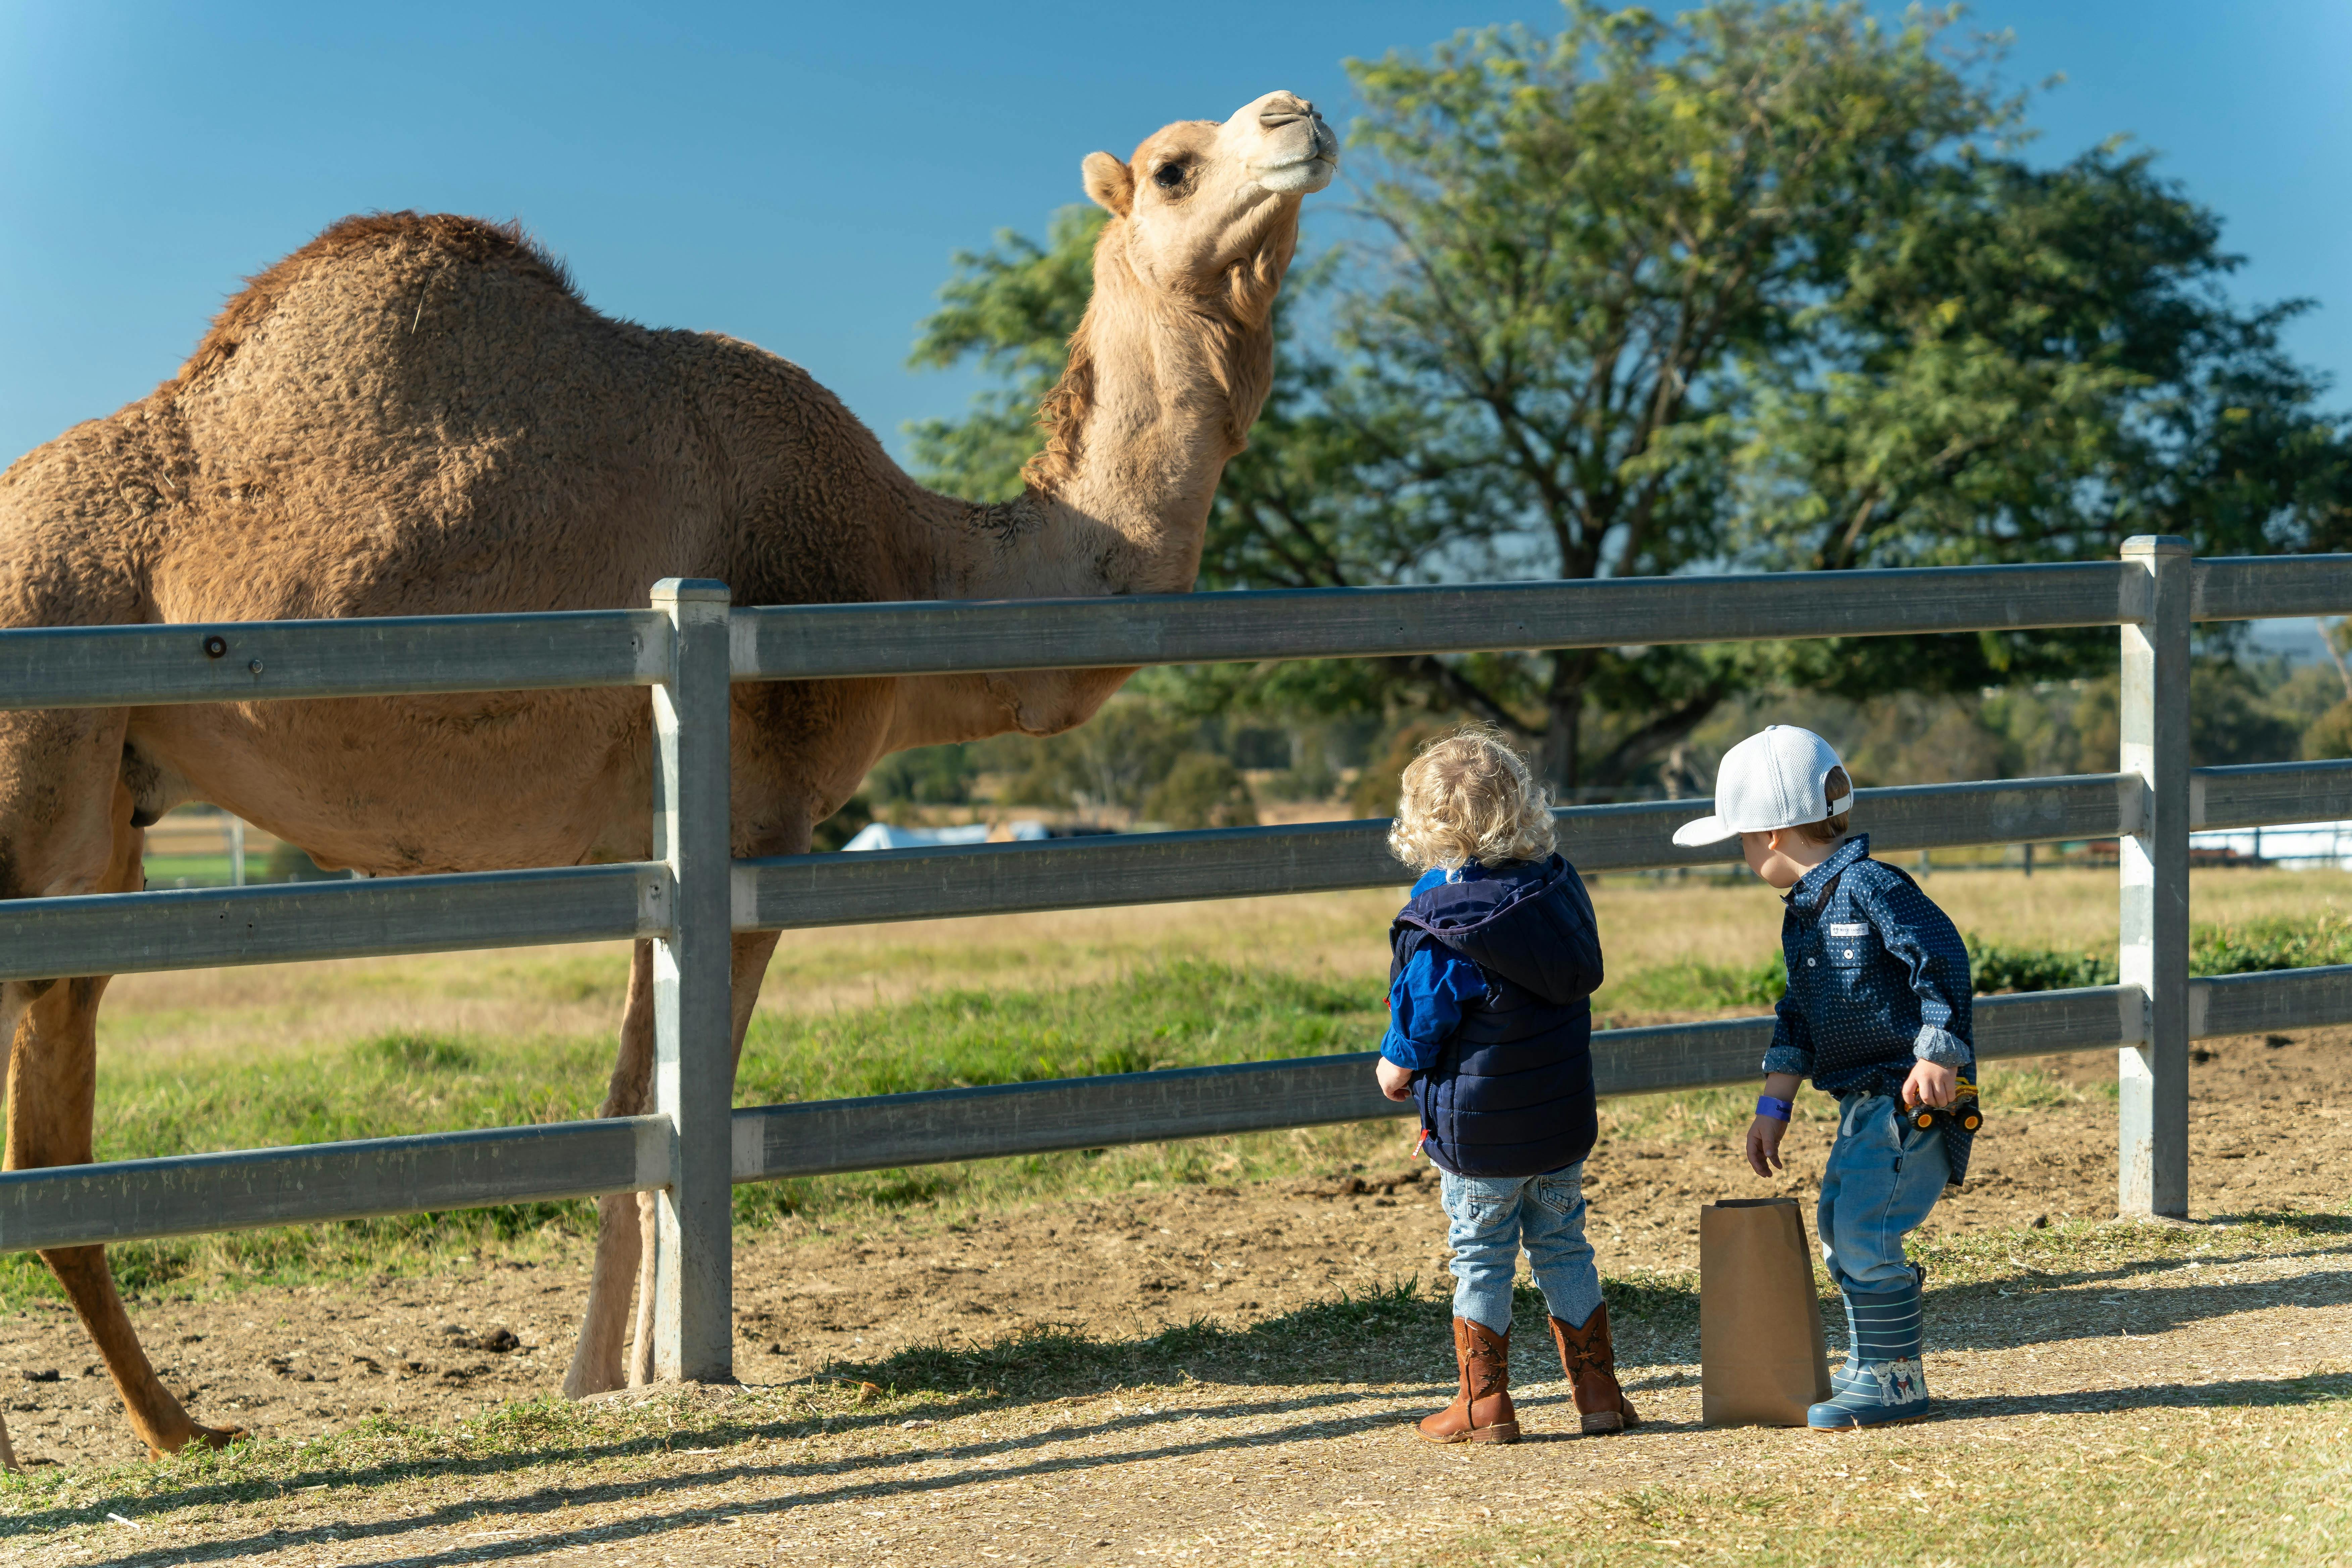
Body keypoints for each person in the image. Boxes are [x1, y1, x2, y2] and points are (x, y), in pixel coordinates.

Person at [1673, 725, 1976, 1430]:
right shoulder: (1806, 915)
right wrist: (1773, 1101)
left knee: (1866, 1226)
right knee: (1843, 1221)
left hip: (1912, 1094)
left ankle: (1896, 1378)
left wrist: (1939, 1051)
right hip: (1863, 1102)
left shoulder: (1873, 886)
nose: (1745, 857)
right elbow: (1799, 1013)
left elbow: (1944, 960)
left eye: (1744, 841)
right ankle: (1876, 1358)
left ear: (1774, 834)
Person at [1375, 725, 1635, 1444]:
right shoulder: (1556, 891)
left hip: (1480, 1133)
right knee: (1564, 1244)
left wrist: (1395, 1065)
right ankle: (1598, 1393)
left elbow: (1424, 1016)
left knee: (1482, 1254)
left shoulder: (1443, 920)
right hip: (1556, 1123)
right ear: (1523, 804)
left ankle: (1484, 1404)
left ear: (1425, 824)